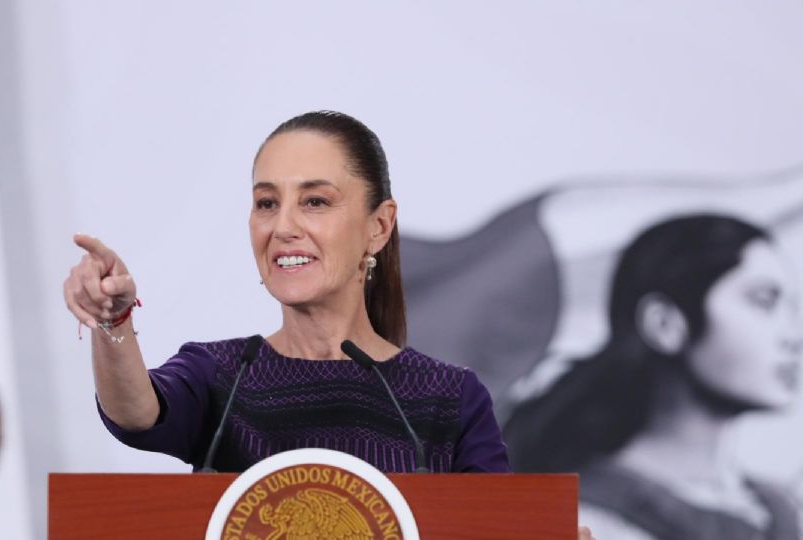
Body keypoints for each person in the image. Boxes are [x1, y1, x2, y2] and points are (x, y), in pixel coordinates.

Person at [62, 111, 511, 474]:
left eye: (315, 201)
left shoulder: (449, 399)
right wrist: (112, 319)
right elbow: (135, 413)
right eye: (267, 203)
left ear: (379, 226)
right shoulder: (222, 376)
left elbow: (497, 526)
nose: (283, 227)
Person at [503, 215, 803, 540]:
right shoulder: (585, 520)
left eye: (792, 308)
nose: (794, 336)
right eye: (764, 301)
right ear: (664, 324)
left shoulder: (777, 509)